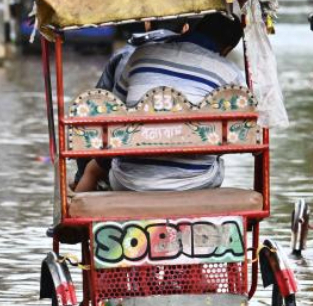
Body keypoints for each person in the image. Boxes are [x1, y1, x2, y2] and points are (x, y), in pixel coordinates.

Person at [74, 13, 245, 193]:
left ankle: (73, 211)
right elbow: (240, 135)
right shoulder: (230, 73)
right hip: (196, 181)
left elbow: (116, 111)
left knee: (97, 165)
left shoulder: (141, 55)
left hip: (129, 180)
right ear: (227, 49)